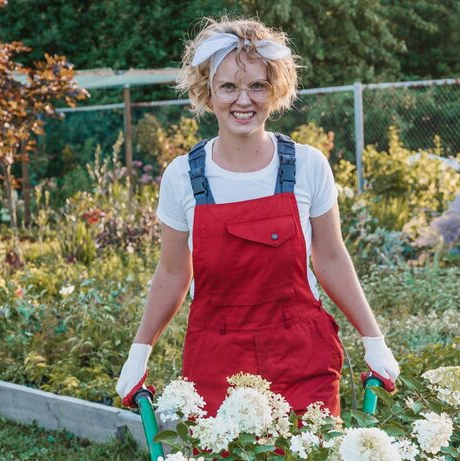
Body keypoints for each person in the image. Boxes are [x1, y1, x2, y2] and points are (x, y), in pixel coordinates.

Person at [115, 16, 399, 417]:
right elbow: (174, 273)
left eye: (257, 86)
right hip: (216, 362)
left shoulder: (307, 166)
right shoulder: (182, 176)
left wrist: (374, 339)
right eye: (228, 86)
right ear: (207, 92)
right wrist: (139, 351)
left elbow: (332, 258)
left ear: (276, 90)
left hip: (301, 358)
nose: (242, 100)